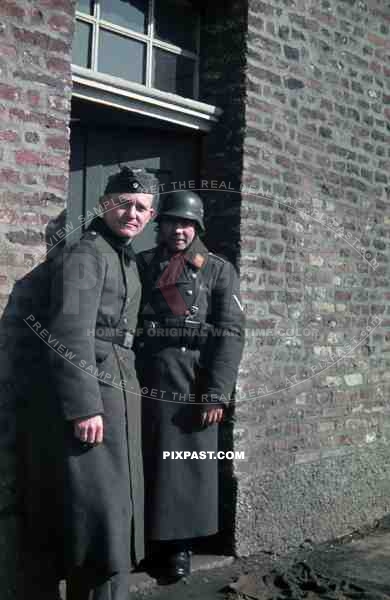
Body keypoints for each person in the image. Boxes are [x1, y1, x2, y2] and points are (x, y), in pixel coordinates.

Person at [22, 167, 156, 600]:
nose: (131, 213)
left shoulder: (124, 257)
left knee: (116, 512)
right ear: (104, 203)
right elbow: (69, 331)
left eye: (142, 208)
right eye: (124, 203)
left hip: (120, 391)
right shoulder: (87, 253)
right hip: (95, 399)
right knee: (99, 521)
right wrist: (83, 406)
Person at [136, 190, 245, 581]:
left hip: (191, 381)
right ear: (160, 225)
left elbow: (230, 334)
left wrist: (216, 393)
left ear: (196, 227)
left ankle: (181, 545)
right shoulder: (143, 263)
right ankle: (146, 541)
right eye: (171, 222)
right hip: (144, 376)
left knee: (183, 468)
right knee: (145, 462)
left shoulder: (216, 269)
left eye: (186, 224)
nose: (178, 230)